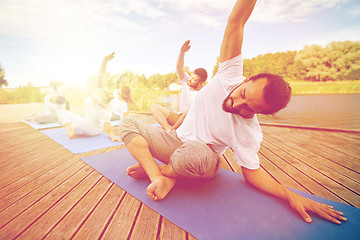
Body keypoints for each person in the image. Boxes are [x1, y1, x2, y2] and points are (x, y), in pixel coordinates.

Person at [117, 0, 346, 225]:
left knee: (196, 155)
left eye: (249, 108)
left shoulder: (249, 132)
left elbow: (252, 173)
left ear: (260, 114)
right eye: (243, 93)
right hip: (171, 142)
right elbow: (236, 21)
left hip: (197, 159)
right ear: (245, 79)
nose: (237, 105)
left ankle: (159, 170)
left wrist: (290, 195)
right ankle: (159, 176)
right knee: (127, 123)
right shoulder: (229, 73)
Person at [57, 52, 121, 142]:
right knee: (61, 112)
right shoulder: (98, 93)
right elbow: (100, 76)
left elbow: (108, 127)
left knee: (77, 123)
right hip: (85, 121)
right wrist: (105, 61)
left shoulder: (105, 110)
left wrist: (112, 136)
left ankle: (73, 128)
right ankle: (70, 131)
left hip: (94, 129)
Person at [150, 40, 208, 132]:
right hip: (179, 117)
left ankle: (169, 131)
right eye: (191, 77)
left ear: (201, 83)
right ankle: (168, 129)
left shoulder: (202, 95)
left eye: (194, 79)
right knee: (154, 107)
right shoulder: (187, 82)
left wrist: (174, 129)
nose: (190, 79)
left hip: (190, 123)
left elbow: (187, 117)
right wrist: (182, 52)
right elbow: (179, 66)